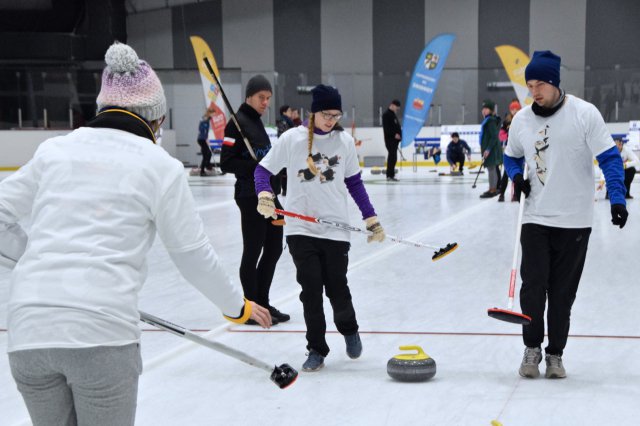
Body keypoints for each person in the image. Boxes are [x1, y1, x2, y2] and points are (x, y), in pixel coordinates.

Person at [0, 42, 271, 426]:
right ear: (157, 118)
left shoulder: (54, 151)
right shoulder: (159, 165)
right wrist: (235, 306)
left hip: (28, 334)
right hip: (101, 338)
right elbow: (192, 256)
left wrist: (34, 261)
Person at [504, 50, 628, 380]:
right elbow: (511, 158)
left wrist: (617, 198)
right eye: (530, 84)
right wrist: (516, 177)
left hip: (575, 221)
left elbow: (610, 160)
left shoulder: (584, 115)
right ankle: (532, 349)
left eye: (540, 84)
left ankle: (555, 354)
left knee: (562, 294)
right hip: (535, 218)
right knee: (533, 289)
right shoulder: (521, 120)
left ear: (555, 82)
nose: (534, 91)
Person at [253, 84, 386, 372]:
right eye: (326, 114)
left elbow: (354, 183)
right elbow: (262, 170)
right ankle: (316, 348)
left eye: (336, 115)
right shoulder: (292, 138)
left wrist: (370, 218)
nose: (331, 120)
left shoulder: (345, 142)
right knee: (310, 290)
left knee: (337, 287)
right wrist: (265, 194)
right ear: (313, 111)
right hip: (301, 230)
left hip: (336, 229)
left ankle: (349, 330)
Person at [220, 74, 289, 326]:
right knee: (254, 249)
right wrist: (257, 166)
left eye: (268, 98)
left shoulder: (257, 123)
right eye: (261, 97)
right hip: (250, 196)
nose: (265, 103)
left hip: (269, 195)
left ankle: (263, 303)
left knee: (274, 248)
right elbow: (225, 162)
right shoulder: (236, 123)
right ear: (249, 96)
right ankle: (251, 306)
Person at [498, 100, 522, 201]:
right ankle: (502, 194)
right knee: (506, 174)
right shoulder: (507, 121)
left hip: (521, 150)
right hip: (510, 150)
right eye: (512, 109)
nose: (514, 111)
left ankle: (517, 194)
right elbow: (501, 135)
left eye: (516, 109)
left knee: (518, 174)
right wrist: (508, 135)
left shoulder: (523, 119)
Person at [479, 99, 502, 198]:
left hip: (491, 149)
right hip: (490, 148)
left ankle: (492, 189)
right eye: (483, 109)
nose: (484, 110)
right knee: (492, 168)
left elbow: (494, 136)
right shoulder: (488, 120)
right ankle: (493, 188)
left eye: (487, 109)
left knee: (491, 169)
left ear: (491, 110)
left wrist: (488, 149)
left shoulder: (490, 121)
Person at [275, 105, 295, 196]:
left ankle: (287, 188)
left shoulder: (289, 122)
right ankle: (285, 189)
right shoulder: (282, 121)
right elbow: (283, 135)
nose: (291, 113)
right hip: (285, 148)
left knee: (288, 169)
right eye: (289, 111)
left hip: (290, 148)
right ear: (284, 112)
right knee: (284, 169)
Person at [382, 99, 402, 181]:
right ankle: (389, 175)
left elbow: (396, 126)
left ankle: (391, 174)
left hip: (395, 141)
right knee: (392, 157)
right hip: (390, 140)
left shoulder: (393, 114)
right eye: (397, 108)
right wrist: (395, 135)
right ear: (392, 105)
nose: (397, 110)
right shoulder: (386, 115)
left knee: (393, 157)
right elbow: (387, 128)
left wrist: (400, 135)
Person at [197, 107, 215, 176]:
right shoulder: (204, 119)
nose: (213, 116)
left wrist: (207, 138)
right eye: (213, 114)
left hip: (204, 139)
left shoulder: (208, 119)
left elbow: (206, 131)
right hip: (201, 139)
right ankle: (202, 171)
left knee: (209, 152)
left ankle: (207, 165)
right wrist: (205, 139)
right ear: (210, 113)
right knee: (205, 155)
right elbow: (202, 129)